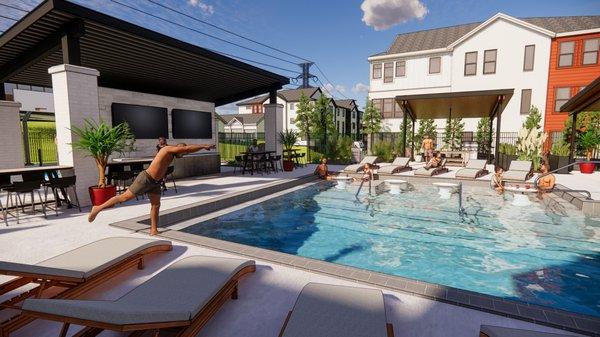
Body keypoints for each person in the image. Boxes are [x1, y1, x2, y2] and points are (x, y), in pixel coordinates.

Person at [88, 143, 215, 235]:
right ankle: (97, 208)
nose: (184, 153)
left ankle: (153, 230)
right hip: (145, 178)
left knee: (156, 205)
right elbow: (187, 148)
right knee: (124, 197)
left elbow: (167, 163)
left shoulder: (171, 155)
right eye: (183, 151)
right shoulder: (167, 149)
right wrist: (203, 146)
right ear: (178, 148)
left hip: (155, 182)